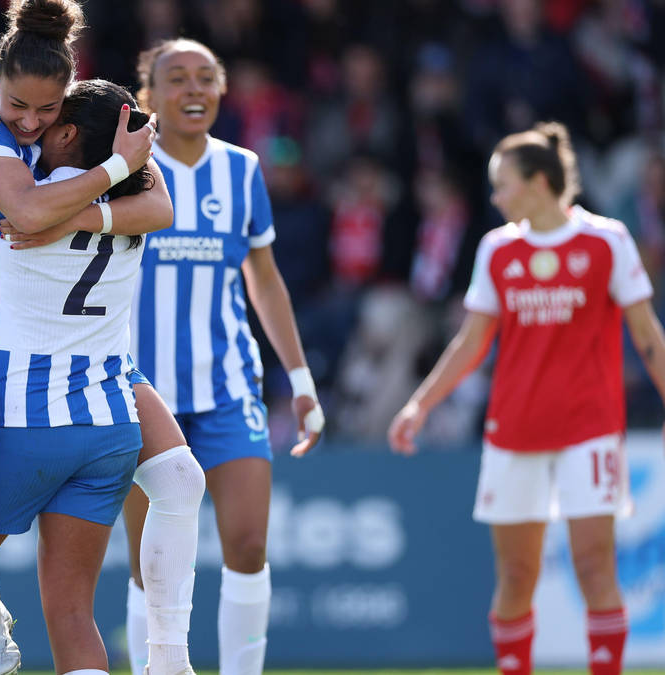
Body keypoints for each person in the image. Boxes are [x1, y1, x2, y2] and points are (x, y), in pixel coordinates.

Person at [0, 3, 198, 673]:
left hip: (22, 375)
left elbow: (14, 208)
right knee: (168, 490)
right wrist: (111, 178)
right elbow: (155, 205)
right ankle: (169, 652)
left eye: (46, 110)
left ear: (68, 103)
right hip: (96, 396)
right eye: (18, 106)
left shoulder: (28, 143)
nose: (29, 122)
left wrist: (64, 212)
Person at [388, 122, 665, 675]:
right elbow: (472, 342)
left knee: (594, 566)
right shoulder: (497, 250)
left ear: (539, 182)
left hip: (589, 430)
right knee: (517, 576)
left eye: (503, 184)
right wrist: (420, 403)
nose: (496, 197)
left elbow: (648, 337)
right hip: (513, 433)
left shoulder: (607, 241)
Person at [117, 38, 325, 675]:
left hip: (229, 386)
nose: (194, 90)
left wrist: (301, 378)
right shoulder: (122, 169)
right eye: (176, 78)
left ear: (223, 90)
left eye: (206, 78)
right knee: (149, 562)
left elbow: (264, 278)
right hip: (140, 392)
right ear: (149, 93)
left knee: (249, 544)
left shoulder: (242, 169)